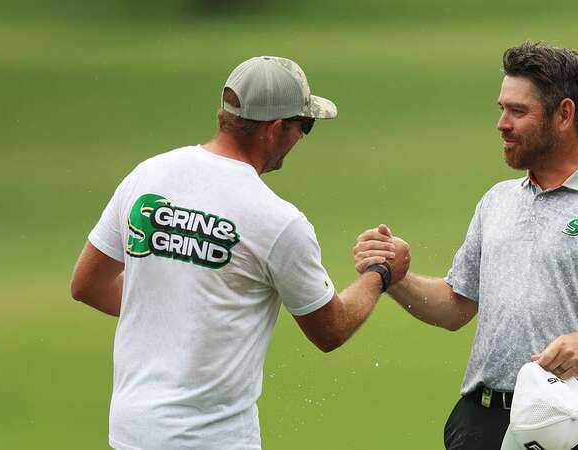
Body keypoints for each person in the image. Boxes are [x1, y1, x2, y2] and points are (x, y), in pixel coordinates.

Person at [353, 42, 578, 450]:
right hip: (480, 422)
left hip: (572, 423)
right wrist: (395, 277)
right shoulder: (498, 200)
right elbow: (456, 306)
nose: (501, 123)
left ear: (564, 114)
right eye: (502, 108)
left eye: (518, 111)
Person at [70, 55, 408, 450]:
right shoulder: (278, 221)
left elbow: (87, 285)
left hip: (131, 433)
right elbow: (331, 330)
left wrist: (176, 309)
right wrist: (381, 273)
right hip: (213, 439)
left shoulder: (148, 175)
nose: (302, 137)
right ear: (275, 129)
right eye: (305, 125)